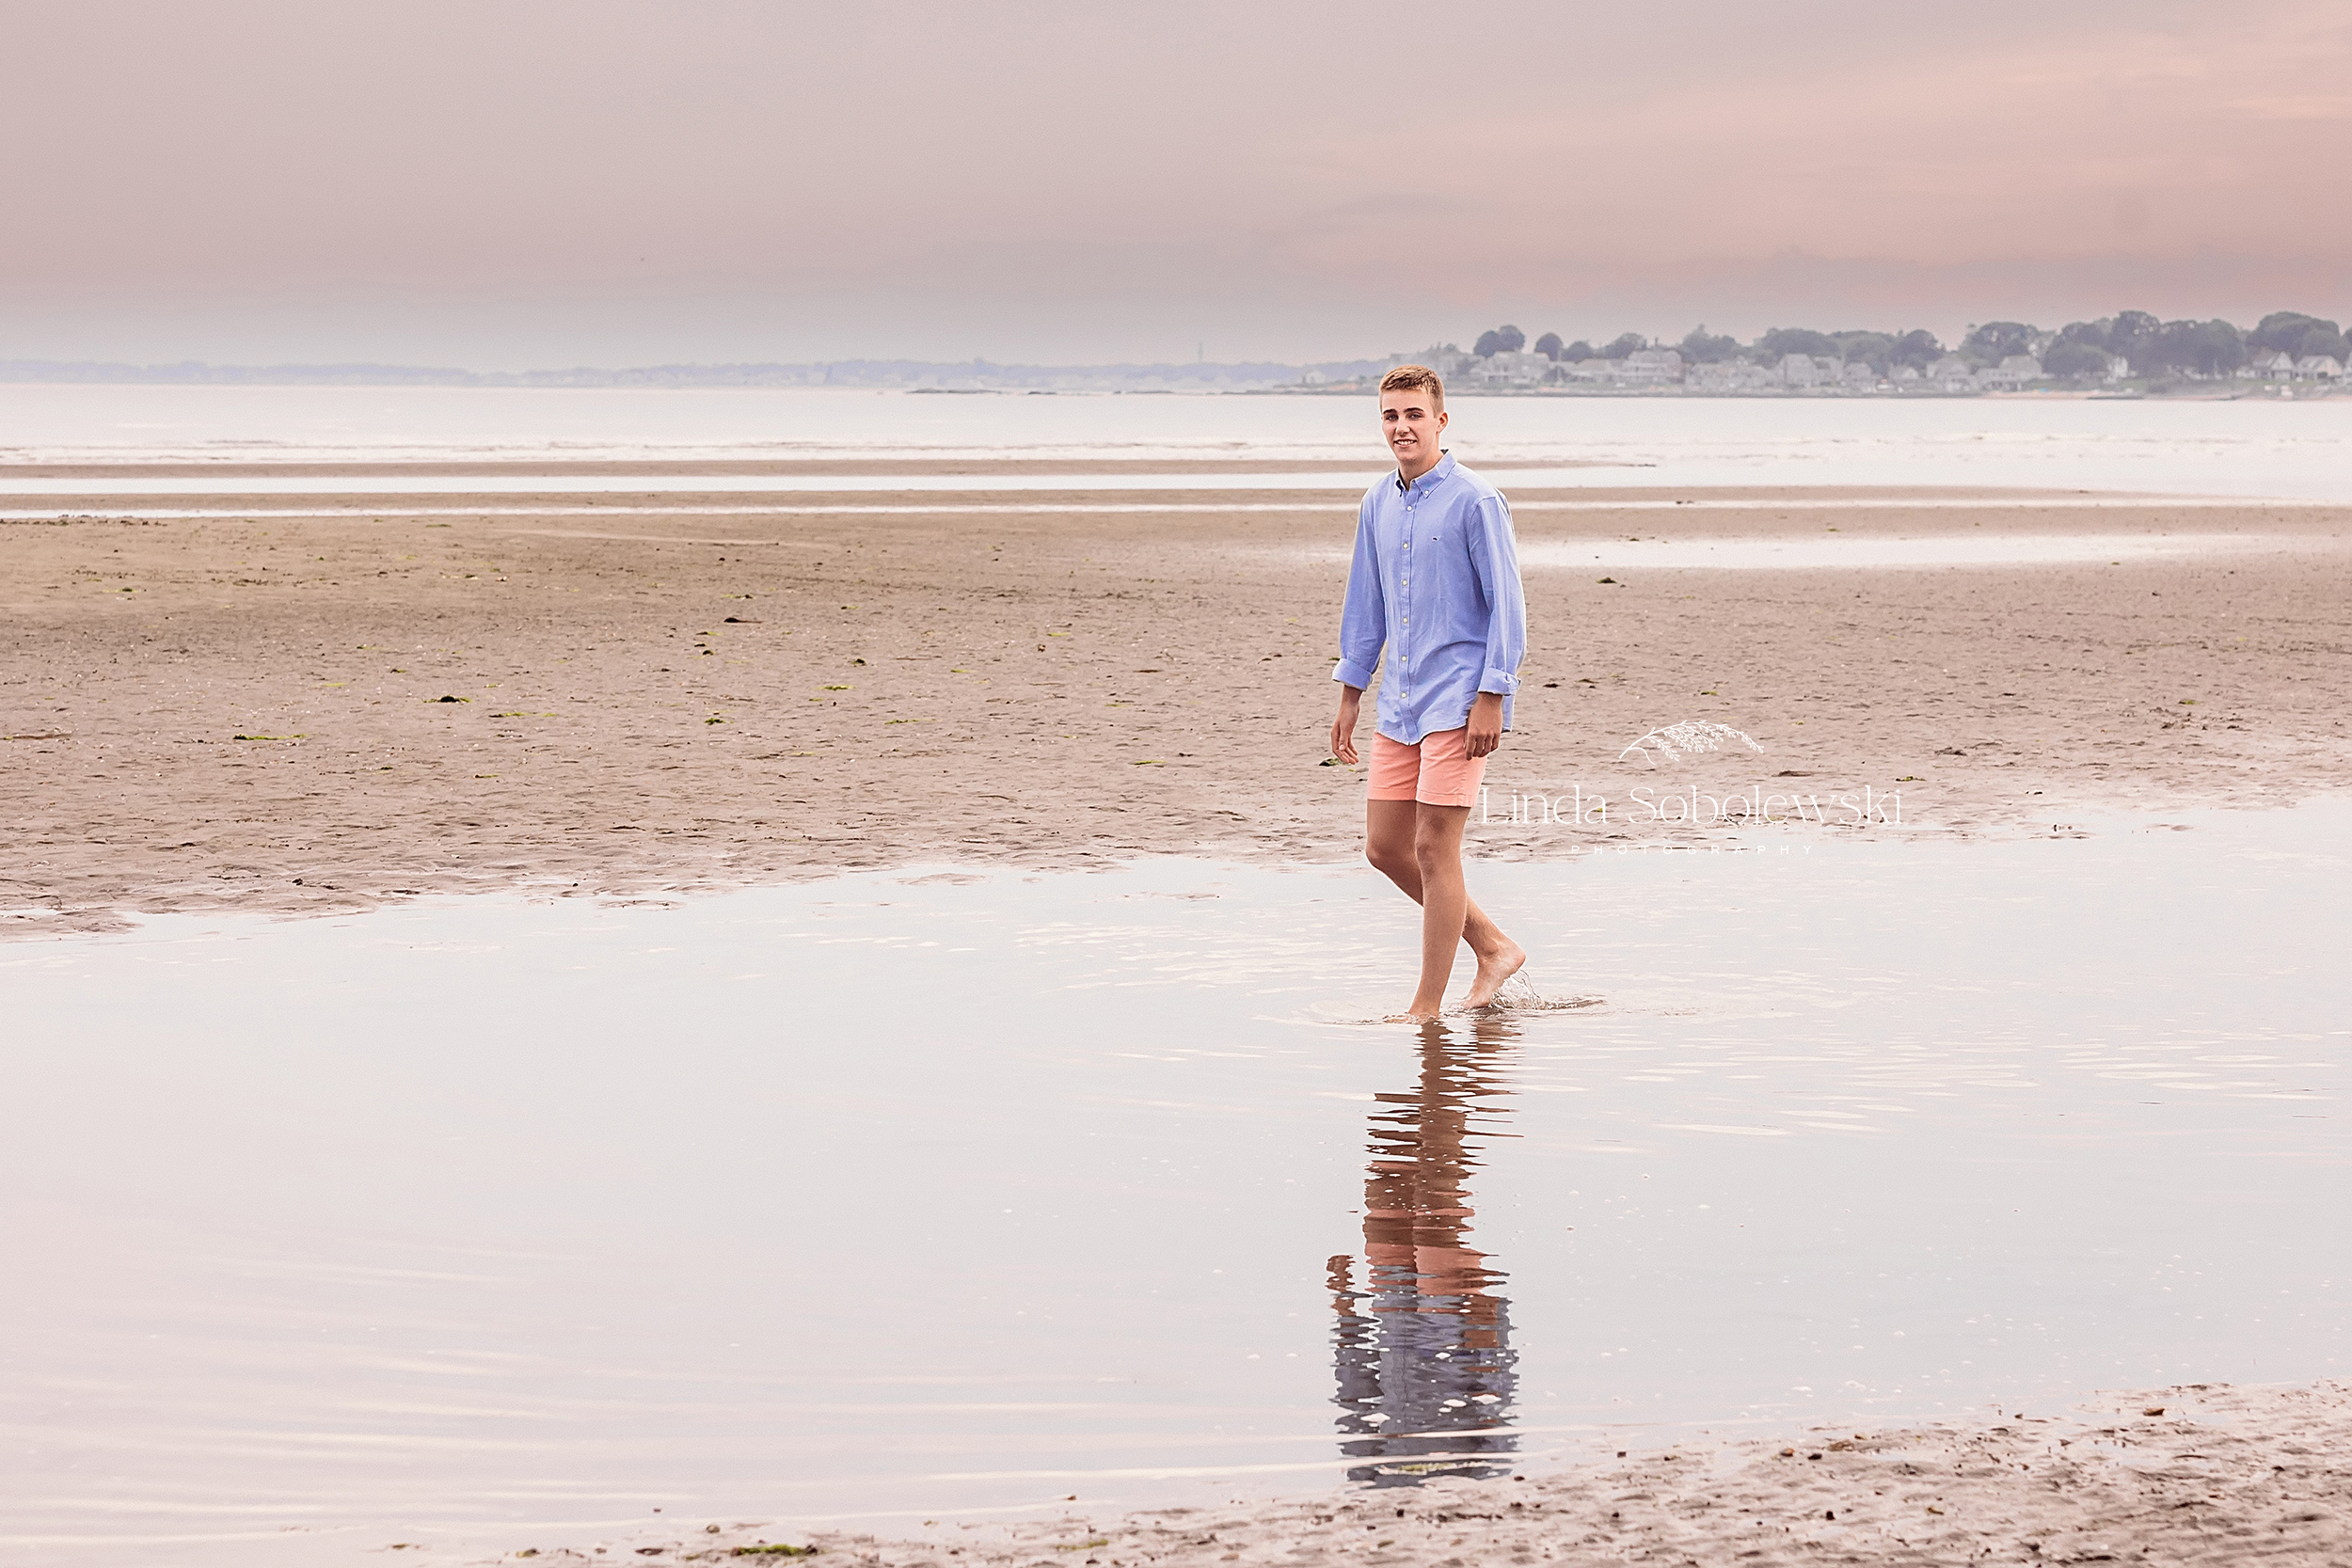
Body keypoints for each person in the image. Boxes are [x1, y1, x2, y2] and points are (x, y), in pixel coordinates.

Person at [1329, 366, 1527, 1021]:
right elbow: (1367, 603)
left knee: (1434, 848)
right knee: (1386, 846)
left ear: (1441, 421)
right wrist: (1351, 690)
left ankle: (1426, 1006)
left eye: (1414, 414)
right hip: (1400, 703)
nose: (1401, 427)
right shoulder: (1377, 503)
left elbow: (1508, 606)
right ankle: (1493, 945)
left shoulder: (1477, 501)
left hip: (1461, 702)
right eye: (1390, 416)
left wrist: (1494, 693)